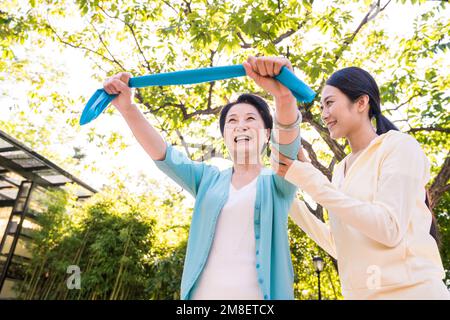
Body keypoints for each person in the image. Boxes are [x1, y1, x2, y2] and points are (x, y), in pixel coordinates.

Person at [102, 56, 303, 300]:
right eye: (232, 121)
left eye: (250, 119)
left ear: (268, 132)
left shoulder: (278, 181)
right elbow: (163, 153)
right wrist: (127, 108)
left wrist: (284, 97)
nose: (240, 125)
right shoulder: (208, 179)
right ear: (225, 136)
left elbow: (287, 141)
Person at [271, 66, 450, 299]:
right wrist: (289, 199)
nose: (324, 114)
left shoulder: (399, 147)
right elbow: (341, 244)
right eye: (322, 106)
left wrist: (310, 178)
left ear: (361, 102)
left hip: (412, 292)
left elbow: (389, 228)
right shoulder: (340, 170)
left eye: (330, 103)